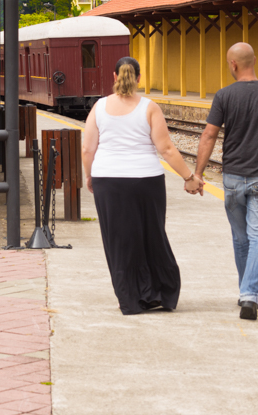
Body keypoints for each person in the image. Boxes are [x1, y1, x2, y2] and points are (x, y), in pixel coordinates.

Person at [82, 56, 203, 315]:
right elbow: (167, 149)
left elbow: (86, 149)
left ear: (114, 77)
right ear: (138, 78)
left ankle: (128, 298)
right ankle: (158, 293)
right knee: (151, 235)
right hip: (146, 181)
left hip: (108, 181)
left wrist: (91, 176)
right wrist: (189, 177)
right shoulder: (149, 107)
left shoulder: (99, 107)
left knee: (118, 241)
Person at [195, 42, 258, 321]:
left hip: (234, 179)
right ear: (254, 60)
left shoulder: (224, 95)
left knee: (241, 238)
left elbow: (209, 136)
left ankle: (246, 292)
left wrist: (198, 174)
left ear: (233, 65)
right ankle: (249, 294)